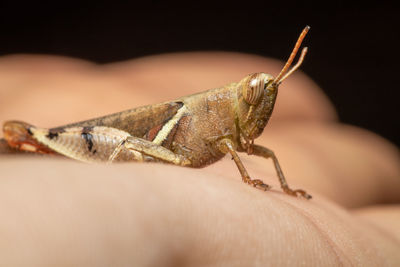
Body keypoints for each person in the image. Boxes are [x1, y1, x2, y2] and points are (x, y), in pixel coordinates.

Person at [0, 52, 399, 266]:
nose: (261, 106)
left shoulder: (232, 133)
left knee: (272, 149)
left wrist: (284, 189)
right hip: (126, 144)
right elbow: (225, 147)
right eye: (256, 95)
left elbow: (238, 146)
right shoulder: (209, 114)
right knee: (126, 144)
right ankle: (32, 140)